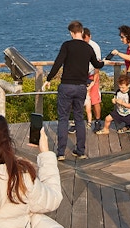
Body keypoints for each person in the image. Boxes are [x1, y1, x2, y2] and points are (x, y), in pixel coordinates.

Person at [42, 20, 104, 161]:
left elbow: (58, 63)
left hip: (66, 86)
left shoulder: (66, 46)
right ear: (82, 32)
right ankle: (80, 151)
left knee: (63, 119)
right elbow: (97, 64)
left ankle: (61, 153)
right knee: (79, 119)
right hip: (81, 87)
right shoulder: (88, 48)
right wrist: (104, 62)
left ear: (71, 33)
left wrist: (49, 79)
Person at [82, 28, 103, 131]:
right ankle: (77, 121)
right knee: (78, 98)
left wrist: (95, 79)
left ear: (90, 37)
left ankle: (98, 121)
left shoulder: (95, 47)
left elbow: (97, 65)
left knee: (94, 99)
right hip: (81, 75)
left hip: (91, 74)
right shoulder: (79, 44)